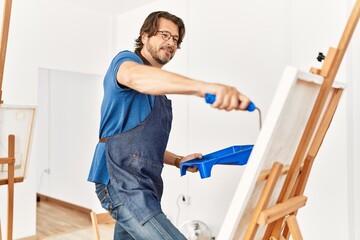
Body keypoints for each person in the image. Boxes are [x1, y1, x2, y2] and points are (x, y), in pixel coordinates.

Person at [88, 11, 251, 240]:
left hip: (144, 185)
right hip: (119, 180)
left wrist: (177, 160)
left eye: (175, 39)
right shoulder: (126, 63)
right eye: (164, 35)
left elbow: (139, 145)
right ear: (144, 36)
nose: (171, 42)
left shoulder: (159, 95)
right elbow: (136, 77)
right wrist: (204, 87)